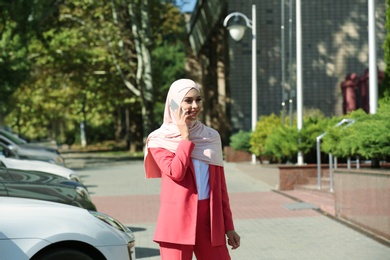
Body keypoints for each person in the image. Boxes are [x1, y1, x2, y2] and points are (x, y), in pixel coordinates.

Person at [144, 79, 240, 259]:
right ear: (173, 103)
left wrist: (229, 227)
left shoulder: (211, 137)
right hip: (176, 220)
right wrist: (185, 137)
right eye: (188, 100)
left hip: (210, 220)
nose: (194, 106)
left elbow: (220, 188)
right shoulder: (158, 140)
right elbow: (176, 172)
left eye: (198, 99)